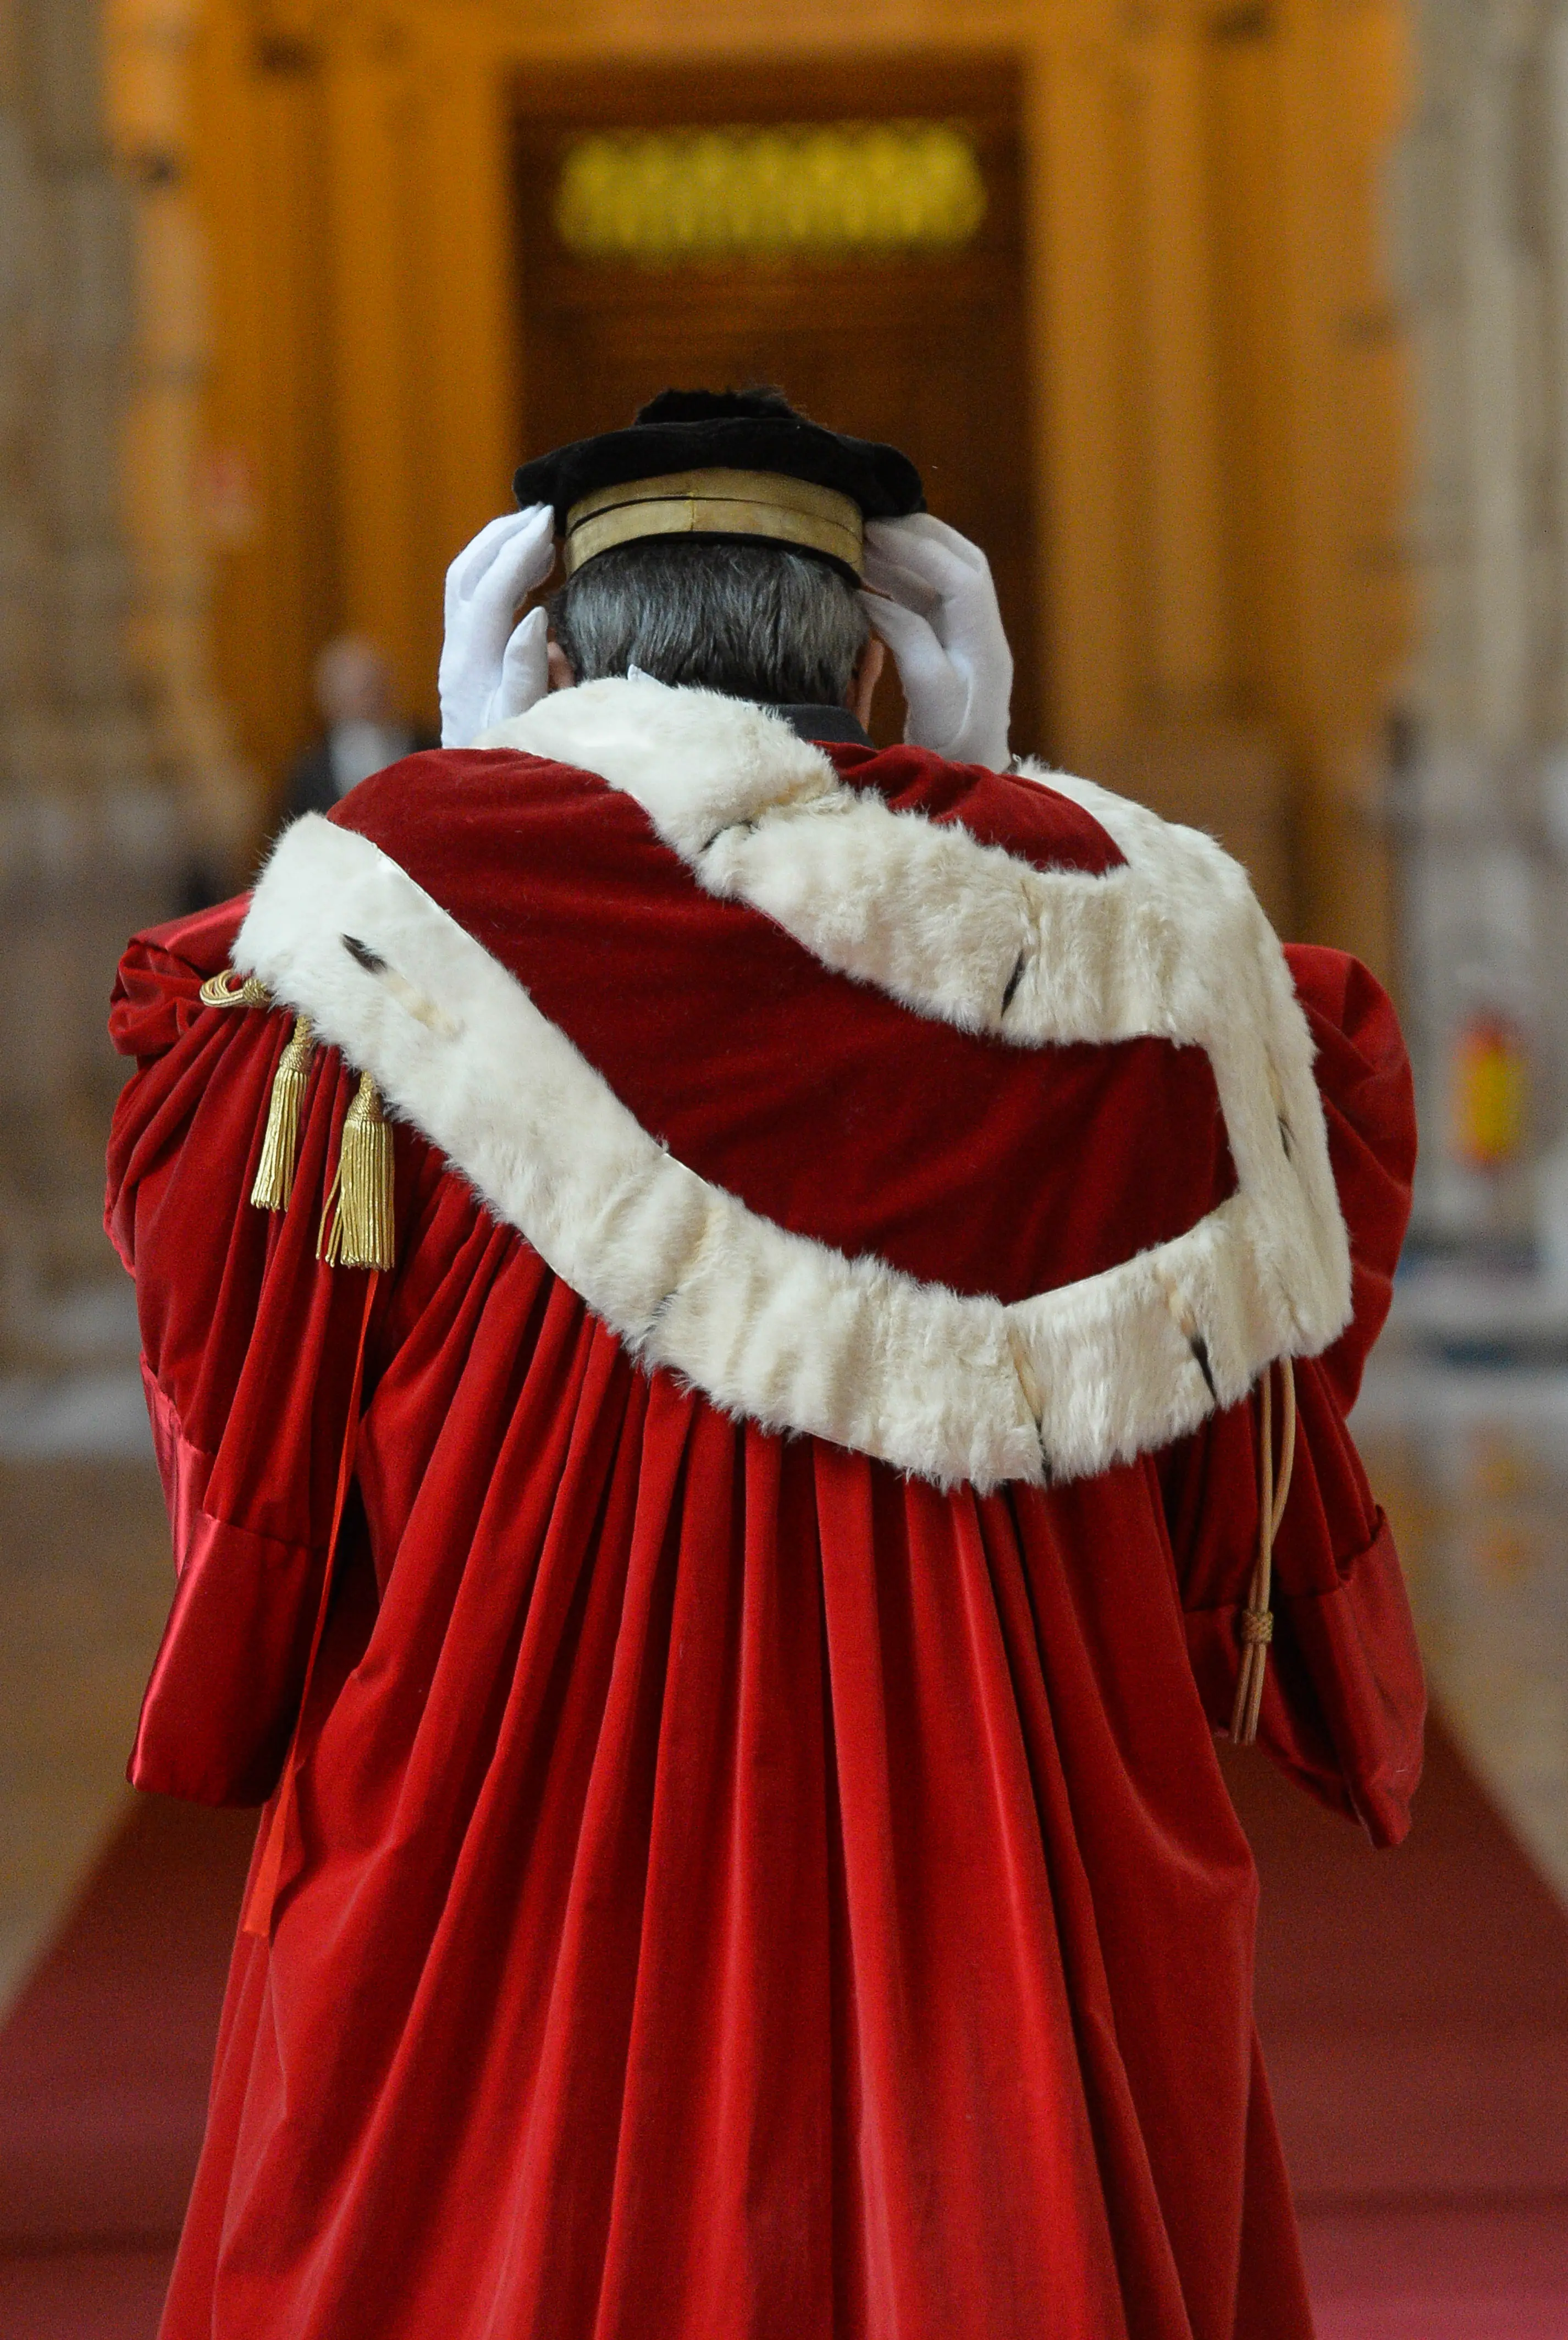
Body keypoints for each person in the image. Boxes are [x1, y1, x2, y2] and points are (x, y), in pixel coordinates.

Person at [106, 388, 1422, 2340]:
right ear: (885, 646)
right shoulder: (1138, 950)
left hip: (518, 1853)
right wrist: (989, 786)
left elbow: (227, 1307)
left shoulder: (389, 924)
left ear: (547, 652)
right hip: (993, 1892)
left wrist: (460, 785)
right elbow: (1272, 1371)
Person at [283, 633, 437, 820]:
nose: (372, 700)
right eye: (361, 690)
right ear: (331, 699)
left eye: (377, 686)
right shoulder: (310, 773)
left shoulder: (431, 749)